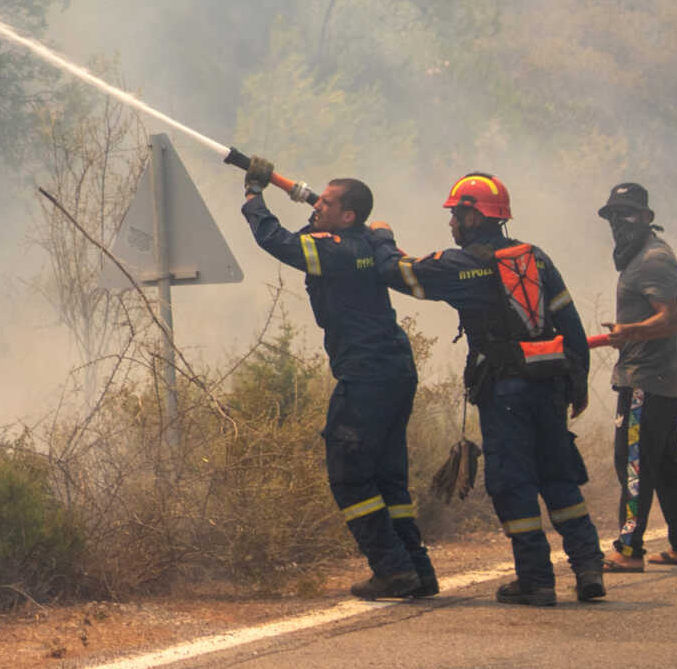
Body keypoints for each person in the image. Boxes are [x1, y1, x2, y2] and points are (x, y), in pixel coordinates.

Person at [376, 173, 607, 605]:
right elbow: (570, 323)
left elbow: (399, 273)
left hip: (506, 392)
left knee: (513, 482)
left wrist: (381, 236)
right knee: (558, 476)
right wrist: (578, 384)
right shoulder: (536, 257)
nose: (451, 225)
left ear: (473, 215)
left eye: (455, 215)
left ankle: (536, 581)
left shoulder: (464, 265)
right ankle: (589, 569)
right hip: (552, 384)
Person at [237, 160, 434, 601]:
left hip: (366, 376)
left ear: (347, 215)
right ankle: (417, 570)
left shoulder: (337, 251)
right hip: (393, 370)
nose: (317, 205)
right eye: (318, 198)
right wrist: (306, 202)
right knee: (388, 478)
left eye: (326, 202)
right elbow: (311, 235)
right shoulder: (361, 240)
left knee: (350, 476)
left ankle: (393, 570)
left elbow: (278, 242)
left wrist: (254, 193)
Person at [596, 183, 677, 570]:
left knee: (634, 461)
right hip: (654, 379)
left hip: (646, 380)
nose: (619, 223)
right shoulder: (639, 258)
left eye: (627, 214)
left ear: (647, 217)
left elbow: (669, 319)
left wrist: (630, 332)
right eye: (612, 215)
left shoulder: (653, 260)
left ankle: (628, 550)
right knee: (666, 463)